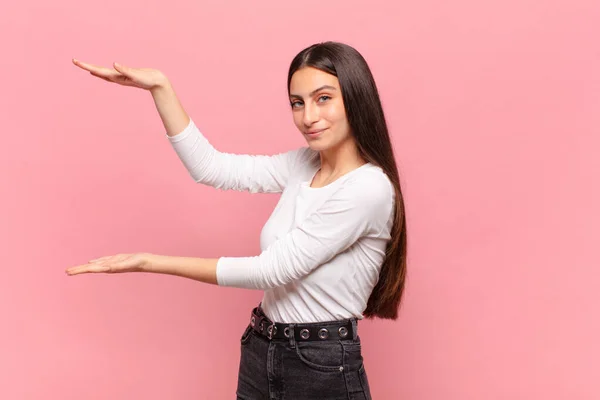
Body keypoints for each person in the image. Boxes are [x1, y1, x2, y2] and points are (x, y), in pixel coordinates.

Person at [67, 41, 408, 400]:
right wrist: (160, 88)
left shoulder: (368, 189)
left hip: (320, 366)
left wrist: (149, 262)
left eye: (323, 98)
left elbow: (271, 271)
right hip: (262, 347)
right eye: (298, 102)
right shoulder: (304, 165)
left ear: (355, 98)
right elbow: (212, 169)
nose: (308, 117)